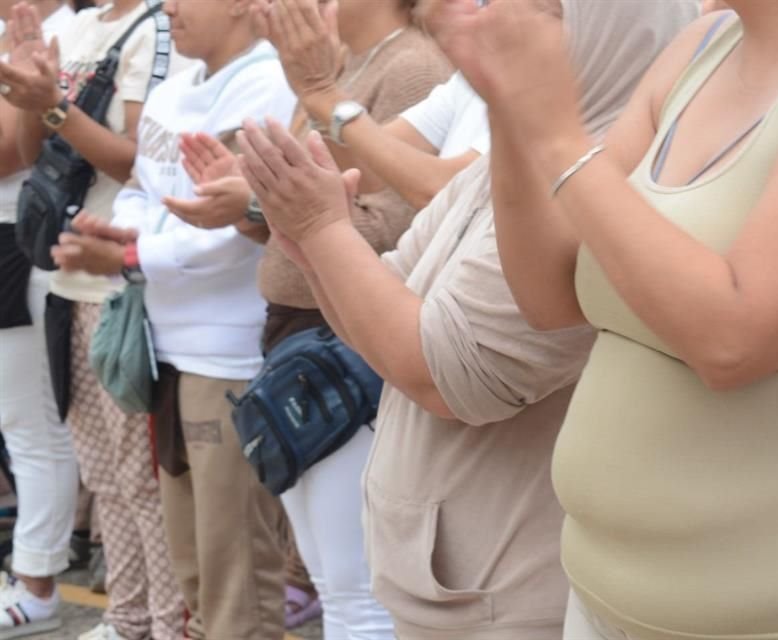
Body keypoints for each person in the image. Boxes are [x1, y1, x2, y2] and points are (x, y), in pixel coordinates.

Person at [435, 0, 778, 637]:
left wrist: (556, 137)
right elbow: (549, 295)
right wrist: (509, 107)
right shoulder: (701, 47)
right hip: (608, 603)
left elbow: (732, 338)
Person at [236, 0, 696, 637]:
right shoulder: (518, 157)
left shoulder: (609, 181)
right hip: (455, 580)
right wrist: (313, 232)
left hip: (508, 593)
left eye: (532, 11)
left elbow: (448, 377)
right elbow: (390, 288)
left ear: (605, 34)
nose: (491, 20)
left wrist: (319, 230)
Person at [168, 0, 450, 637]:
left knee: (358, 588)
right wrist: (243, 203)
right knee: (331, 577)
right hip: (301, 326)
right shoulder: (335, 65)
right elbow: (290, 223)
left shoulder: (412, 68)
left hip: (347, 340)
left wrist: (267, 200)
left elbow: (403, 230)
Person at [53, 0, 298, 636]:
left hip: (231, 357)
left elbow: (238, 224)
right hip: (168, 346)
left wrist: (133, 253)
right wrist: (122, 237)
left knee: (236, 580)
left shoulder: (268, 83)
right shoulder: (178, 81)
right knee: (195, 571)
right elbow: (142, 187)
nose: (170, 8)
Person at [0, 0, 185, 637]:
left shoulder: (157, 25)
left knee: (142, 478)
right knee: (104, 472)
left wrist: (53, 104)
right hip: (64, 275)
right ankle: (128, 619)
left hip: (123, 276)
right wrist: (31, 96)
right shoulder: (85, 25)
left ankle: (164, 622)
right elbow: (34, 150)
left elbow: (136, 162)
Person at [254, 0, 487, 212]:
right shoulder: (343, 58)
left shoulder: (417, 65)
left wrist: (321, 92)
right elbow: (365, 169)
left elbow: (441, 192)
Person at [0, 2, 77, 637]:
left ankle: (38, 584)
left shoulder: (64, 29)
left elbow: (9, 150)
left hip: (19, 238)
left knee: (31, 421)